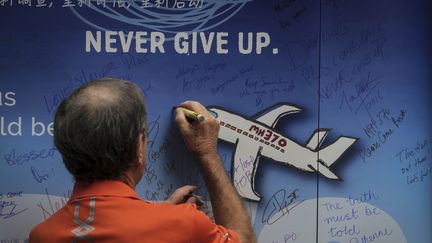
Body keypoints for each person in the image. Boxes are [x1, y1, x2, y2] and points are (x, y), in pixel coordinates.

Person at [29, 78, 256, 243]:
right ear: (139, 147)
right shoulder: (183, 223)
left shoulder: (42, 236)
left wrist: (159, 212)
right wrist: (207, 153)